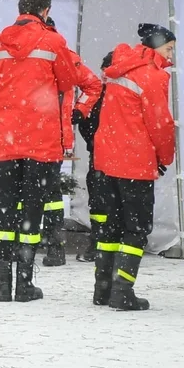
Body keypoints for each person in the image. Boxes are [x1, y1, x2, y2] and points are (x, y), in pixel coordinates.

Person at [0, 0, 77, 303]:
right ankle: (25, 283)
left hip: (5, 143)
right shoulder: (53, 42)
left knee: (5, 213)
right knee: (32, 212)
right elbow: (68, 83)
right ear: (45, 11)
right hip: (41, 144)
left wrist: (5, 110)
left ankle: (2, 284)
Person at [91, 23, 176, 311]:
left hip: (108, 160)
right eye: (169, 48)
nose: (171, 54)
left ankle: (102, 288)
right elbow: (160, 123)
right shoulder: (153, 75)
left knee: (111, 226)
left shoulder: (119, 67)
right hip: (135, 162)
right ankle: (123, 290)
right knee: (136, 229)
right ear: (155, 46)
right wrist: (165, 157)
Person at [41, 36, 103, 267]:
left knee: (49, 194)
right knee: (47, 194)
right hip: (37, 136)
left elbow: (93, 84)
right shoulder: (60, 57)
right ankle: (44, 245)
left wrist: (80, 111)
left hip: (46, 137)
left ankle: (51, 246)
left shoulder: (66, 59)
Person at [73, 51, 115, 263]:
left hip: (120, 159)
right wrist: (95, 141)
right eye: (104, 68)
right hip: (98, 157)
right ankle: (97, 241)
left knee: (117, 203)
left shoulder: (125, 94)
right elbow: (83, 122)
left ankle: (115, 244)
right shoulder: (95, 94)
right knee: (97, 203)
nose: (106, 73)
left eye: (110, 68)